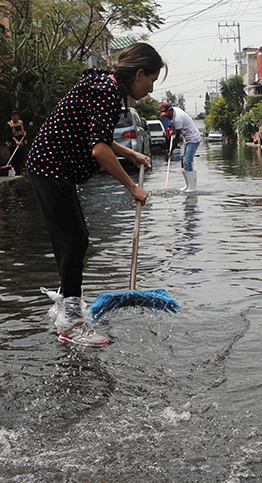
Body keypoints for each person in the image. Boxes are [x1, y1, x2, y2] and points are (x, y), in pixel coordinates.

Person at [24, 42, 160, 347]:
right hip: (51, 168)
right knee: (75, 240)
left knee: (71, 240)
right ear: (139, 74)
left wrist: (130, 154)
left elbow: (94, 136)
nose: (151, 88)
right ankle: (71, 324)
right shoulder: (107, 93)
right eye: (151, 80)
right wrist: (132, 186)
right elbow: (98, 150)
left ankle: (65, 306)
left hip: (49, 167)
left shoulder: (102, 83)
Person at [160, 102, 202, 192]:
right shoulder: (174, 113)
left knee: (187, 161)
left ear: (171, 110)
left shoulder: (178, 118)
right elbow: (175, 127)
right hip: (187, 139)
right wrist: (173, 131)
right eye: (165, 115)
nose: (166, 116)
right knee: (184, 162)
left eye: (167, 114)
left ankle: (192, 187)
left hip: (193, 139)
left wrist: (171, 151)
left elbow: (177, 138)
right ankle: (187, 185)